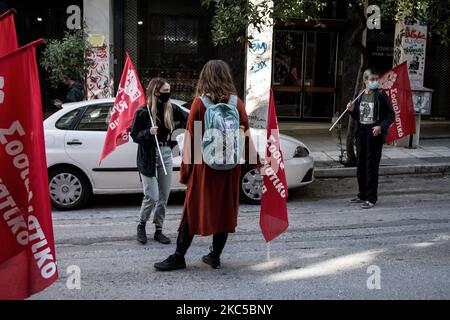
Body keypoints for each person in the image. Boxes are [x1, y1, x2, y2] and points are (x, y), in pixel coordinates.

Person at [154, 60, 259, 271]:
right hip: (229, 169)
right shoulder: (237, 104)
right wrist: (251, 166)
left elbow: (192, 142)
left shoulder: (199, 104)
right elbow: (245, 135)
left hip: (205, 169)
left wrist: (186, 174)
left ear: (205, 77)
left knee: (192, 212)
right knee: (224, 212)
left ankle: (178, 256)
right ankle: (215, 256)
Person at [130, 78, 188, 245]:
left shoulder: (172, 108)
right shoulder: (143, 111)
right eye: (164, 91)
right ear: (155, 92)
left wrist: (177, 139)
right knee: (152, 195)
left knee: (163, 196)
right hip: (148, 155)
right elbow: (134, 135)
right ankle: (141, 225)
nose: (167, 94)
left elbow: (188, 118)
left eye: (169, 90)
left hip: (166, 153)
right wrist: (148, 132)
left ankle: (158, 230)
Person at [347, 69, 395, 209]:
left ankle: (371, 198)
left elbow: (391, 115)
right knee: (360, 165)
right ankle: (362, 194)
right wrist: (351, 110)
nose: (375, 82)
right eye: (372, 79)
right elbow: (358, 116)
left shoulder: (380, 95)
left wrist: (380, 127)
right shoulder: (360, 95)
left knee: (371, 167)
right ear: (365, 81)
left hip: (374, 133)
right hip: (361, 132)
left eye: (376, 79)